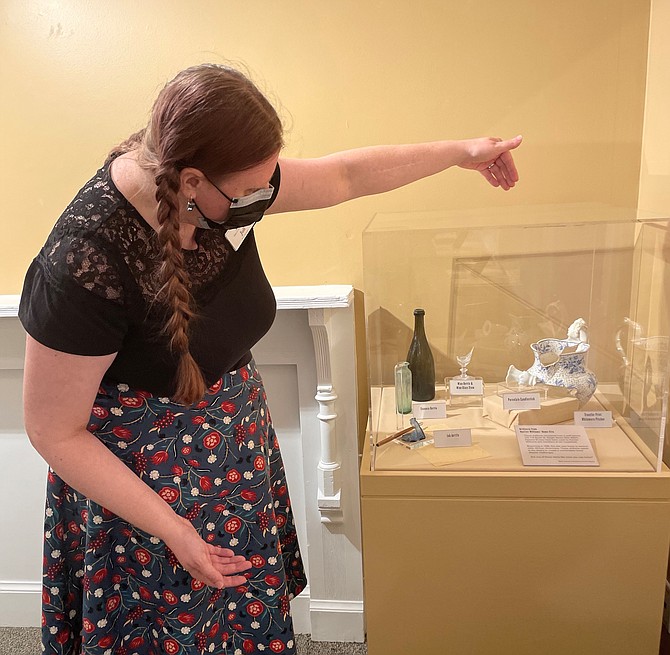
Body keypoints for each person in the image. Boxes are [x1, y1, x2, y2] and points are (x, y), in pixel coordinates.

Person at [19, 63, 522, 655]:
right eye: (248, 191)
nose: (262, 198)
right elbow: (54, 432)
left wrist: (461, 151)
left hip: (230, 459)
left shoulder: (213, 190)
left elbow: (345, 175)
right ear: (192, 182)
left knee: (239, 624)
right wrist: (175, 531)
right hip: (143, 496)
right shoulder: (86, 259)